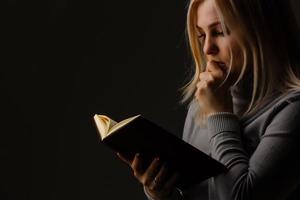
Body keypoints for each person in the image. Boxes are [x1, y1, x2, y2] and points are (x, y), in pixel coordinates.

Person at [117, 0, 300, 199]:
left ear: (263, 31)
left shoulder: (293, 109)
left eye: (220, 32)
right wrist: (162, 193)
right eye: (201, 35)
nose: (206, 49)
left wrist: (219, 114)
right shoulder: (202, 102)